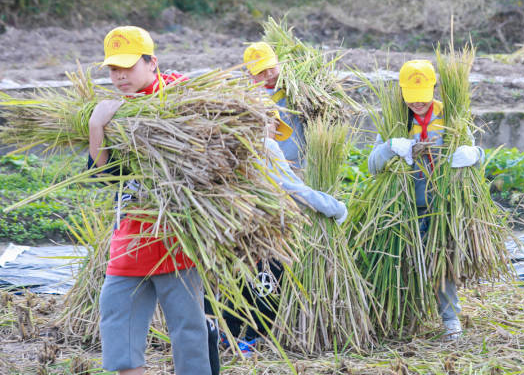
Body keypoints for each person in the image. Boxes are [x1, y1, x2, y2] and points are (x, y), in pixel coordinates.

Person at [89, 26, 210, 375]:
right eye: (113, 69)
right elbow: (105, 176)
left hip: (177, 239)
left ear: (152, 62)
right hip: (129, 239)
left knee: (189, 333)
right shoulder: (115, 112)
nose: (119, 76)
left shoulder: (182, 97)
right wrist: (98, 127)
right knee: (117, 325)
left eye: (127, 67)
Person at [206, 114, 347, 370]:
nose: (272, 128)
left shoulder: (231, 145)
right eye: (270, 122)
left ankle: (228, 334)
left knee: (238, 281)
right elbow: (293, 188)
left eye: (273, 124)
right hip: (264, 233)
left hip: (234, 231)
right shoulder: (267, 146)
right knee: (267, 280)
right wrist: (333, 208)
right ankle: (251, 339)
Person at [366, 59, 484, 340]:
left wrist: (473, 155)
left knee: (442, 265)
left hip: (443, 208)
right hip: (404, 209)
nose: (417, 104)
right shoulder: (394, 118)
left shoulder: (452, 114)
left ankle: (451, 321)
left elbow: (480, 160)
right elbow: (372, 165)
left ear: (434, 88)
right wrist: (390, 148)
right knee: (402, 264)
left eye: (423, 98)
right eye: (411, 99)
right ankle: (403, 321)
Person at [243, 42, 305, 168]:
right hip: (273, 165)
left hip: (300, 161)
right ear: (250, 73)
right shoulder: (249, 96)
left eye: (271, 67)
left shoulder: (297, 85)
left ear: (277, 60)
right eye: (261, 72)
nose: (269, 74)